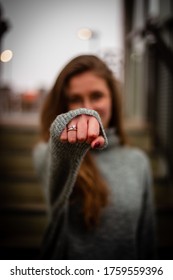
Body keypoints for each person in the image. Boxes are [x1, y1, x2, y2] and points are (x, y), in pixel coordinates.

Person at [33, 54, 156, 260]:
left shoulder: (137, 161)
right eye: (75, 99)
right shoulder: (47, 153)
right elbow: (55, 177)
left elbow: (147, 236)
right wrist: (63, 141)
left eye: (97, 96)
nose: (87, 108)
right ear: (63, 106)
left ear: (112, 100)